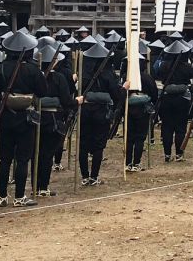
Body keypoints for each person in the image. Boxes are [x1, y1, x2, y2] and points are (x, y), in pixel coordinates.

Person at [0, 31, 45, 206]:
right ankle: (19, 196)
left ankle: (1, 197)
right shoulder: (33, 69)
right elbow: (42, 91)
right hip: (25, 118)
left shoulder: (1, 68)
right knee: (23, 159)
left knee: (5, 159)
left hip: (6, 116)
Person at [77, 41, 124, 185]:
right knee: (98, 144)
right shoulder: (108, 75)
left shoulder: (83, 73)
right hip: (101, 111)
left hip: (85, 110)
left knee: (83, 144)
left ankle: (85, 176)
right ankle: (93, 176)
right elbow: (116, 94)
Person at [34, 44, 75, 194]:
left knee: (37, 154)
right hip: (52, 119)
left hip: (38, 118)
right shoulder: (58, 78)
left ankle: (36, 186)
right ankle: (42, 187)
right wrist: (76, 102)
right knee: (46, 155)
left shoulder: (36, 75)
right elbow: (66, 100)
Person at [155, 40, 193, 162]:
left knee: (167, 127)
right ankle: (179, 153)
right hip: (182, 99)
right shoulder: (187, 67)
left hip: (166, 98)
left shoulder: (163, 66)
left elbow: (158, 74)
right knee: (180, 127)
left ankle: (167, 154)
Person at [124, 45, 158, 172]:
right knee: (139, 137)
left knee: (130, 137)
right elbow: (154, 94)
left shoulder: (125, 77)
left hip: (129, 109)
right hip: (143, 110)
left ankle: (128, 162)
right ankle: (136, 162)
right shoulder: (147, 78)